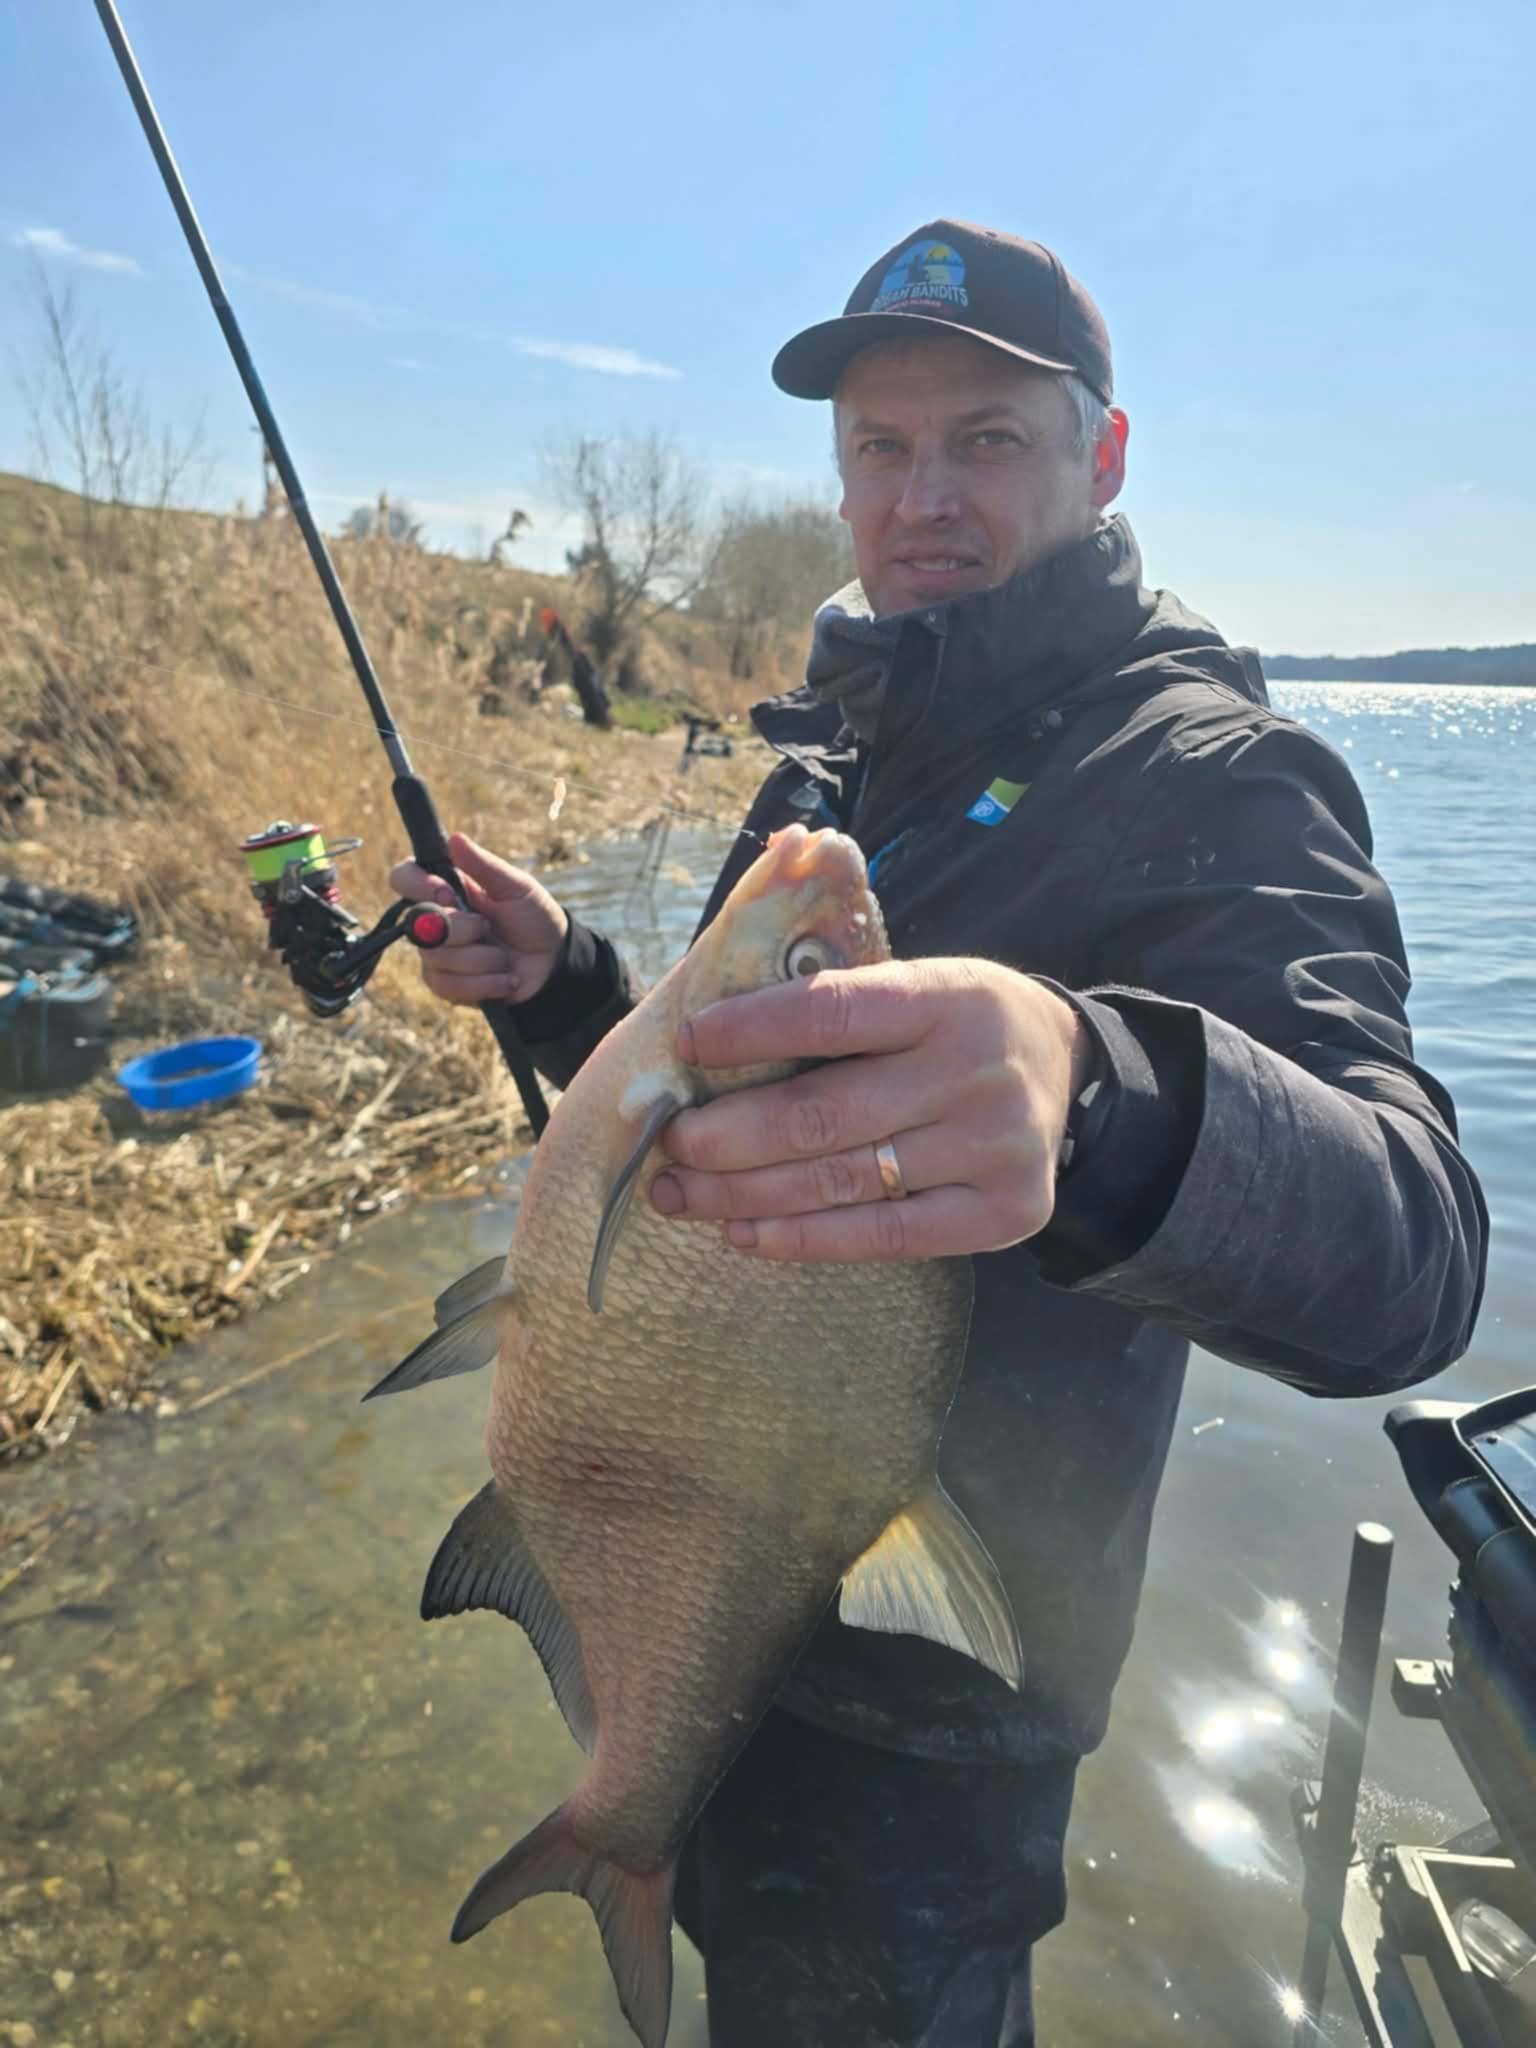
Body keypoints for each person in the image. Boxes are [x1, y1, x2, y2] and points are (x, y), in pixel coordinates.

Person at [391, 219, 1488, 2046]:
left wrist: (1098, 1089)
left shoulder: (1221, 776)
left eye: (986, 438)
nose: (923, 497)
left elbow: (1420, 1255)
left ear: (1103, 456)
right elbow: (722, 1133)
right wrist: (568, 989)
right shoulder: (840, 756)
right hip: (700, 1578)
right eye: (881, 448)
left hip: (937, 1713)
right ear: (838, 481)